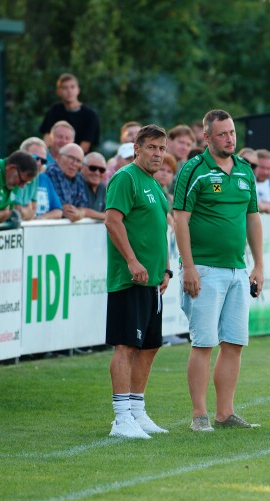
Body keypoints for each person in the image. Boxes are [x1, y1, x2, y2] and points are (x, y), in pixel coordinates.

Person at [172, 109, 263, 432]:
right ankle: (199, 414)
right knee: (204, 343)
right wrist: (189, 267)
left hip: (238, 270)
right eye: (222, 134)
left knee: (234, 343)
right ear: (207, 137)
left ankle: (225, 413)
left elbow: (253, 218)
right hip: (205, 270)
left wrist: (258, 265)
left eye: (233, 133)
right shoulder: (193, 170)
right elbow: (180, 218)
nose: (230, 139)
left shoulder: (244, 171)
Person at [104, 124, 172, 439]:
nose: (158, 154)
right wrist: (132, 261)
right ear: (137, 148)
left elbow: (159, 229)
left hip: (153, 281)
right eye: (152, 147)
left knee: (148, 347)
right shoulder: (125, 178)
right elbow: (112, 220)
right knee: (127, 346)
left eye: (162, 148)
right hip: (130, 279)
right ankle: (121, 419)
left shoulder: (154, 183)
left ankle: (136, 410)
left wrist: (166, 269)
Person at [0, 148, 41, 224]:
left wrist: (2, 214)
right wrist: (5, 213)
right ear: (12, 168)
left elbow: (9, 213)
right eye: (22, 181)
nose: (22, 186)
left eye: (26, 183)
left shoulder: (13, 180)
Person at [39, 73, 100, 153]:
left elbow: (85, 146)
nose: (69, 91)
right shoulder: (55, 110)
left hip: (78, 159)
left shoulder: (90, 115)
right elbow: (48, 137)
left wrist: (69, 157)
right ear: (58, 92)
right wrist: (42, 153)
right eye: (65, 88)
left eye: (72, 87)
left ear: (78, 90)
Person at [75, 151, 108, 221]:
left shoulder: (102, 187)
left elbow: (107, 211)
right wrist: (104, 216)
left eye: (102, 170)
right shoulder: (75, 181)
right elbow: (77, 210)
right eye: (93, 168)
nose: (97, 173)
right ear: (82, 167)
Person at [254, 149, 270, 213]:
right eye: (262, 167)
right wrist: (263, 206)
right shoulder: (245, 178)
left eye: (269, 168)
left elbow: (269, 208)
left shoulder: (266, 182)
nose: (265, 172)